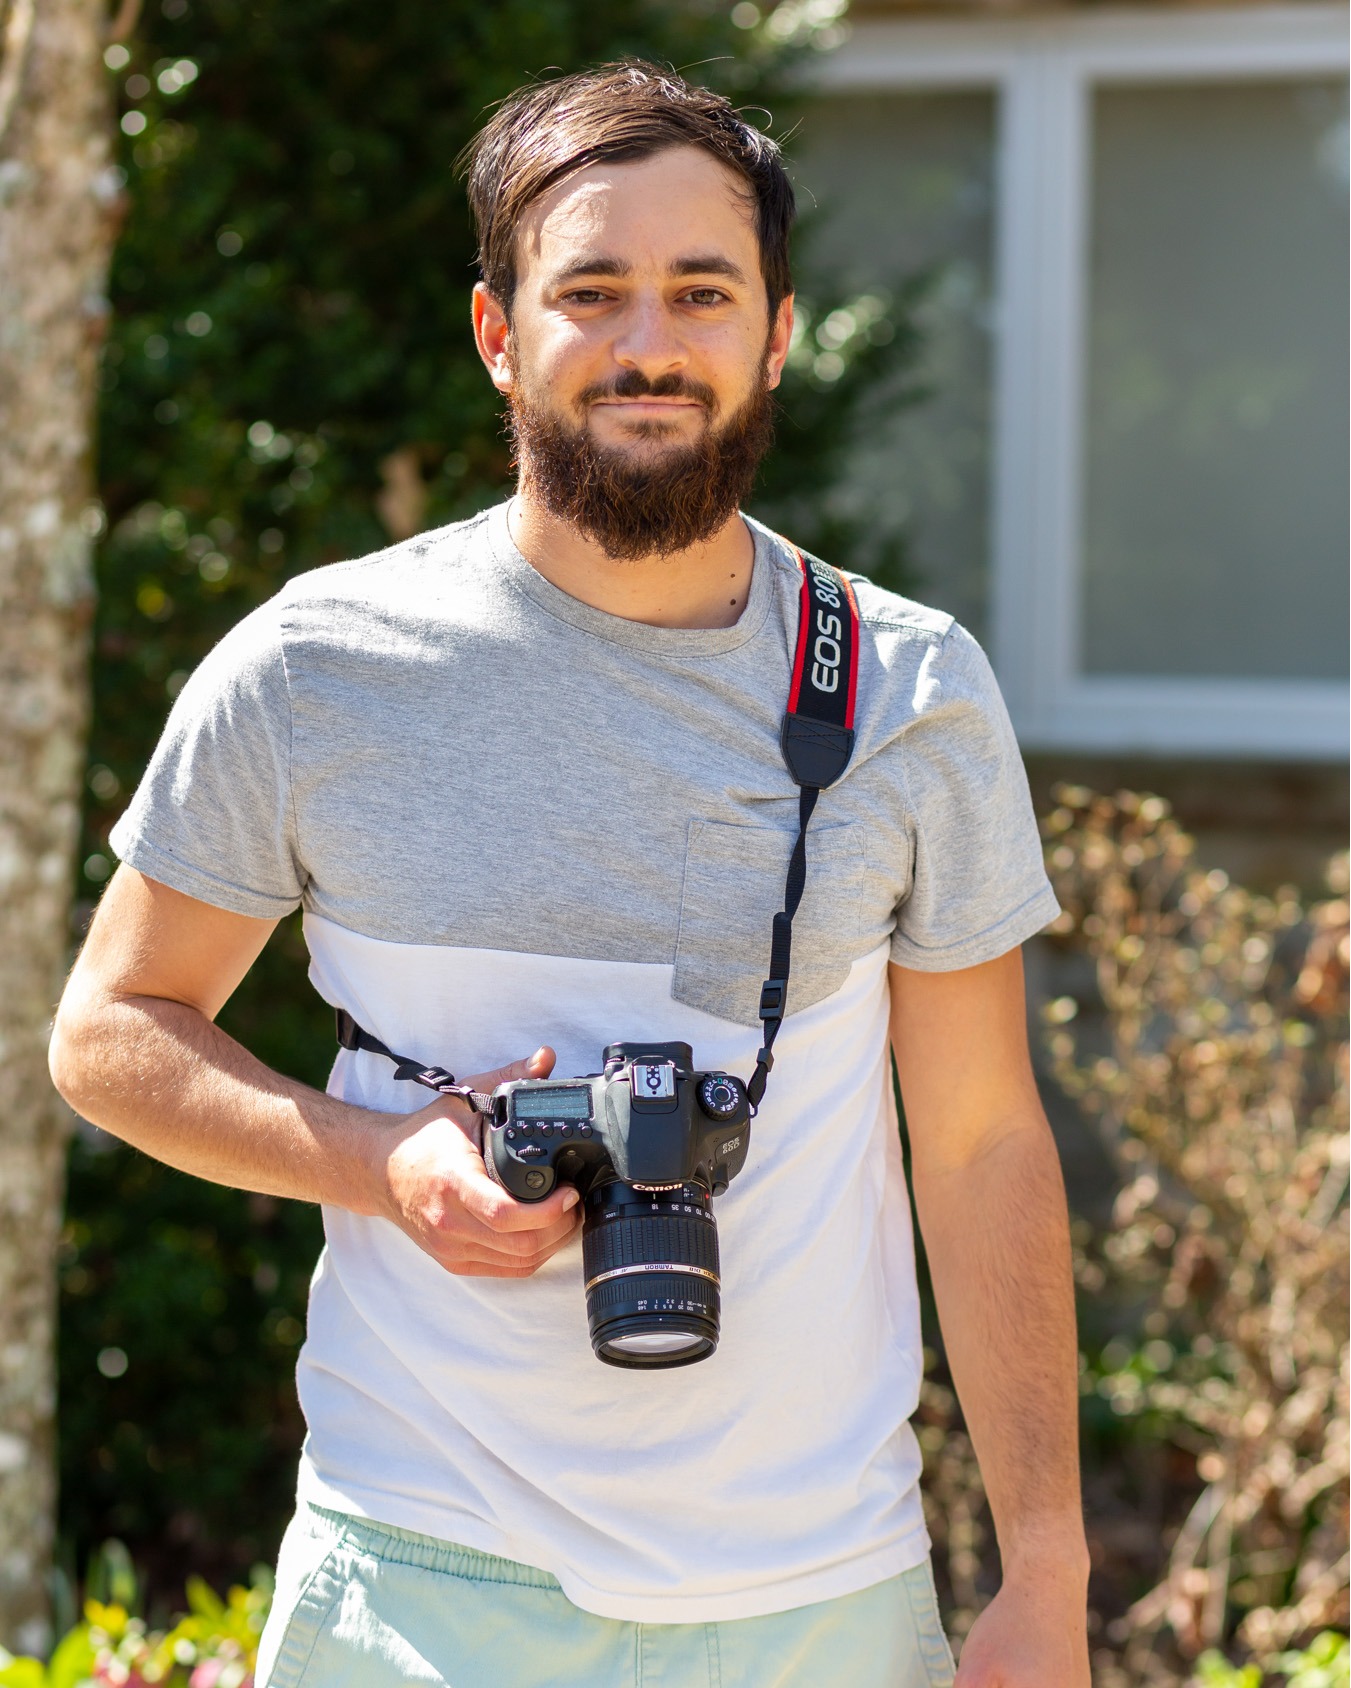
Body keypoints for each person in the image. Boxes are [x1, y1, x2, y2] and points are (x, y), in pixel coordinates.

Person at [50, 61, 1091, 1688]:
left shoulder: (908, 690)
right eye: (590, 292)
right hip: (418, 1572)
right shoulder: (320, 669)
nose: (648, 344)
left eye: (700, 291)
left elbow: (979, 1140)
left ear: (778, 331)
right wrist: (382, 1161)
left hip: (819, 1594)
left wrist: (1046, 1566)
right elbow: (111, 1032)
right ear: (497, 332)